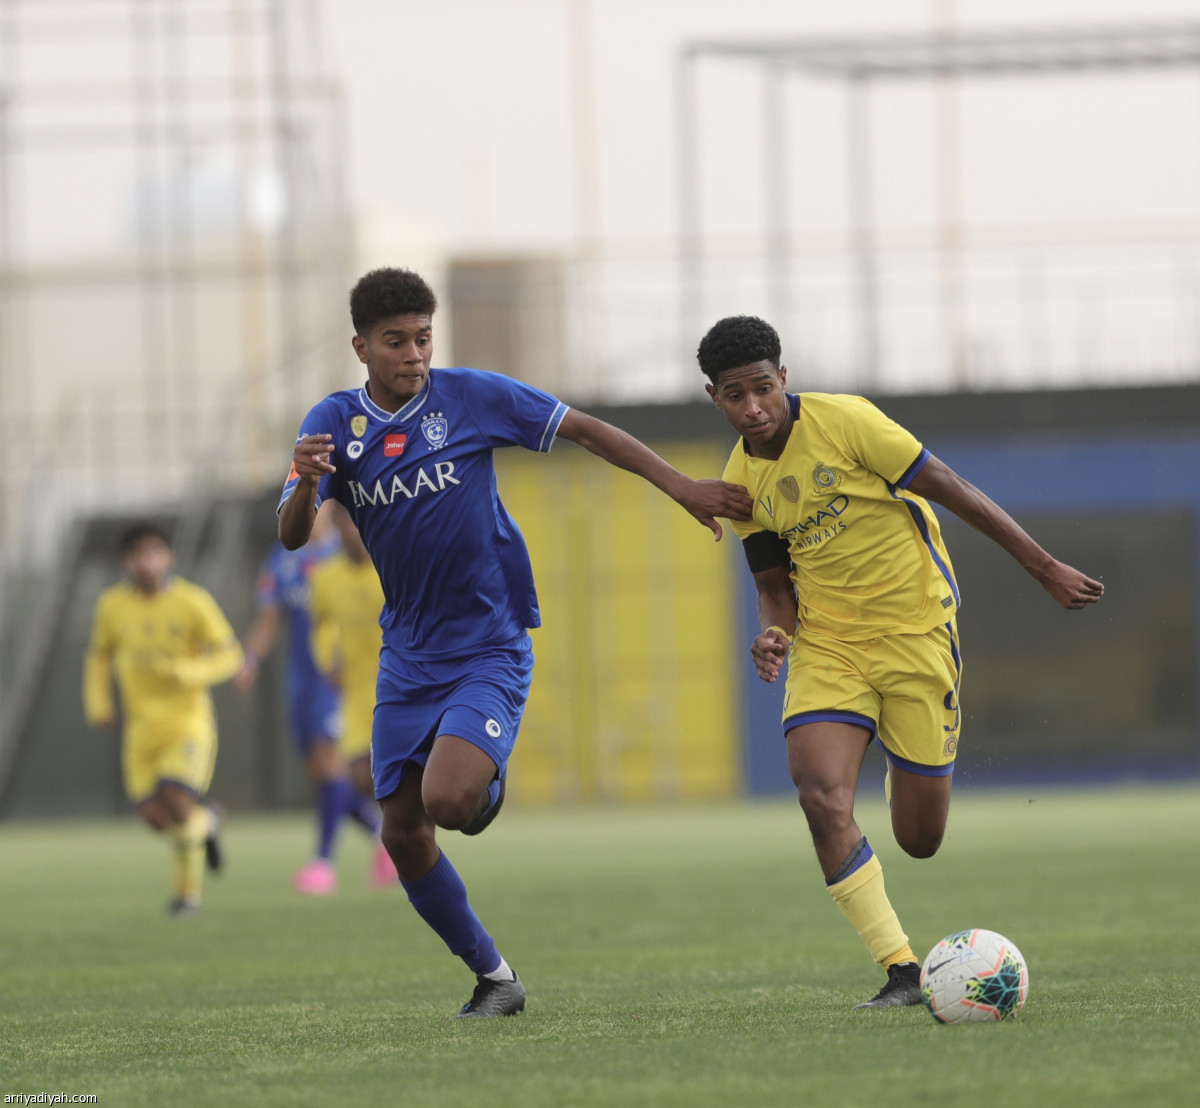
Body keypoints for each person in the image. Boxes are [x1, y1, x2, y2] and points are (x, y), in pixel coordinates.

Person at [277, 266, 753, 1018]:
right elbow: (293, 534)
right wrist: (306, 482)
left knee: (452, 800)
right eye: (395, 341)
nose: (413, 354)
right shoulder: (334, 422)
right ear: (361, 347)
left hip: (489, 643)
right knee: (403, 831)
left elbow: (588, 430)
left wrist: (684, 487)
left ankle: (483, 780)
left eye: (423, 338)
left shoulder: (470, 397)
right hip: (406, 655)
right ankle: (494, 977)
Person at [699, 315, 1104, 1008]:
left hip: (917, 634)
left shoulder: (848, 422)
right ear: (716, 398)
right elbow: (774, 587)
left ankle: (899, 759)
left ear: (783, 379)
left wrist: (1042, 567)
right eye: (735, 396)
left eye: (762, 389)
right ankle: (900, 970)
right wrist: (775, 633)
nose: (753, 408)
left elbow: (946, 484)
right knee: (821, 795)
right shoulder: (740, 484)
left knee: (920, 839)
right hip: (830, 647)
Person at [83, 523, 243, 916]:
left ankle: (186, 896)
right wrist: (99, 703)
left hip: (187, 724)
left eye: (154, 552)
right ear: (127, 561)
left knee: (177, 799)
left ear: (168, 557)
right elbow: (99, 656)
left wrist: (190, 672)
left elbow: (231, 655)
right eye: (138, 554)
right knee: (156, 819)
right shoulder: (112, 605)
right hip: (141, 731)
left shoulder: (193, 602)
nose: (146, 562)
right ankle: (209, 823)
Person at [236, 507, 386, 894]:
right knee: (323, 775)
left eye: (314, 504)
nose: (304, 511)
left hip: (337, 679)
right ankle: (387, 835)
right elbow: (270, 616)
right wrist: (250, 658)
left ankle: (323, 864)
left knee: (332, 763)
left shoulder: (352, 551)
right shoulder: (282, 558)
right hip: (300, 679)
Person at [308, 503, 396, 887]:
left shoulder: (392, 566)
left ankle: (398, 844)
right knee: (361, 775)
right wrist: (329, 659)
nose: (352, 532)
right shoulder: (326, 578)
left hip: (399, 686)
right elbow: (321, 625)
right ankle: (390, 838)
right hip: (355, 691)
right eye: (346, 523)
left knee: (396, 774)